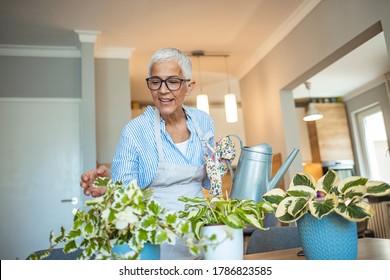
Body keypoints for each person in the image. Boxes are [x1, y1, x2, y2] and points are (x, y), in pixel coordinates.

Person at [80, 47, 215, 259]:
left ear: (189, 86)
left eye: (172, 81)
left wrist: (220, 161)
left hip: (200, 237)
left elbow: (210, 179)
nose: (163, 90)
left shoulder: (204, 122)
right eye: (155, 81)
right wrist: (109, 186)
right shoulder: (134, 131)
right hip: (153, 241)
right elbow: (124, 191)